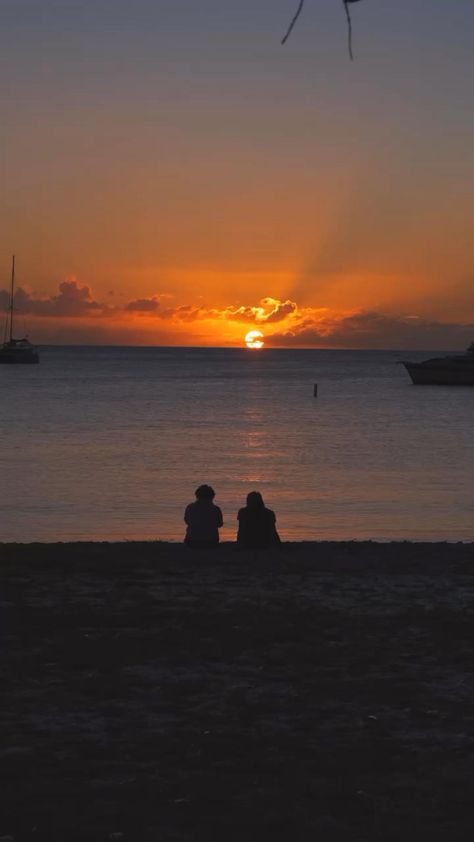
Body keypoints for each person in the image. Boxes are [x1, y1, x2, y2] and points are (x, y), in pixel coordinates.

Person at [184, 484, 223, 548]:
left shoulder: (190, 507)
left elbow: (187, 521)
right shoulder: (216, 509)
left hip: (192, 542)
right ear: (212, 496)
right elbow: (219, 524)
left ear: (197, 495)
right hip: (211, 542)